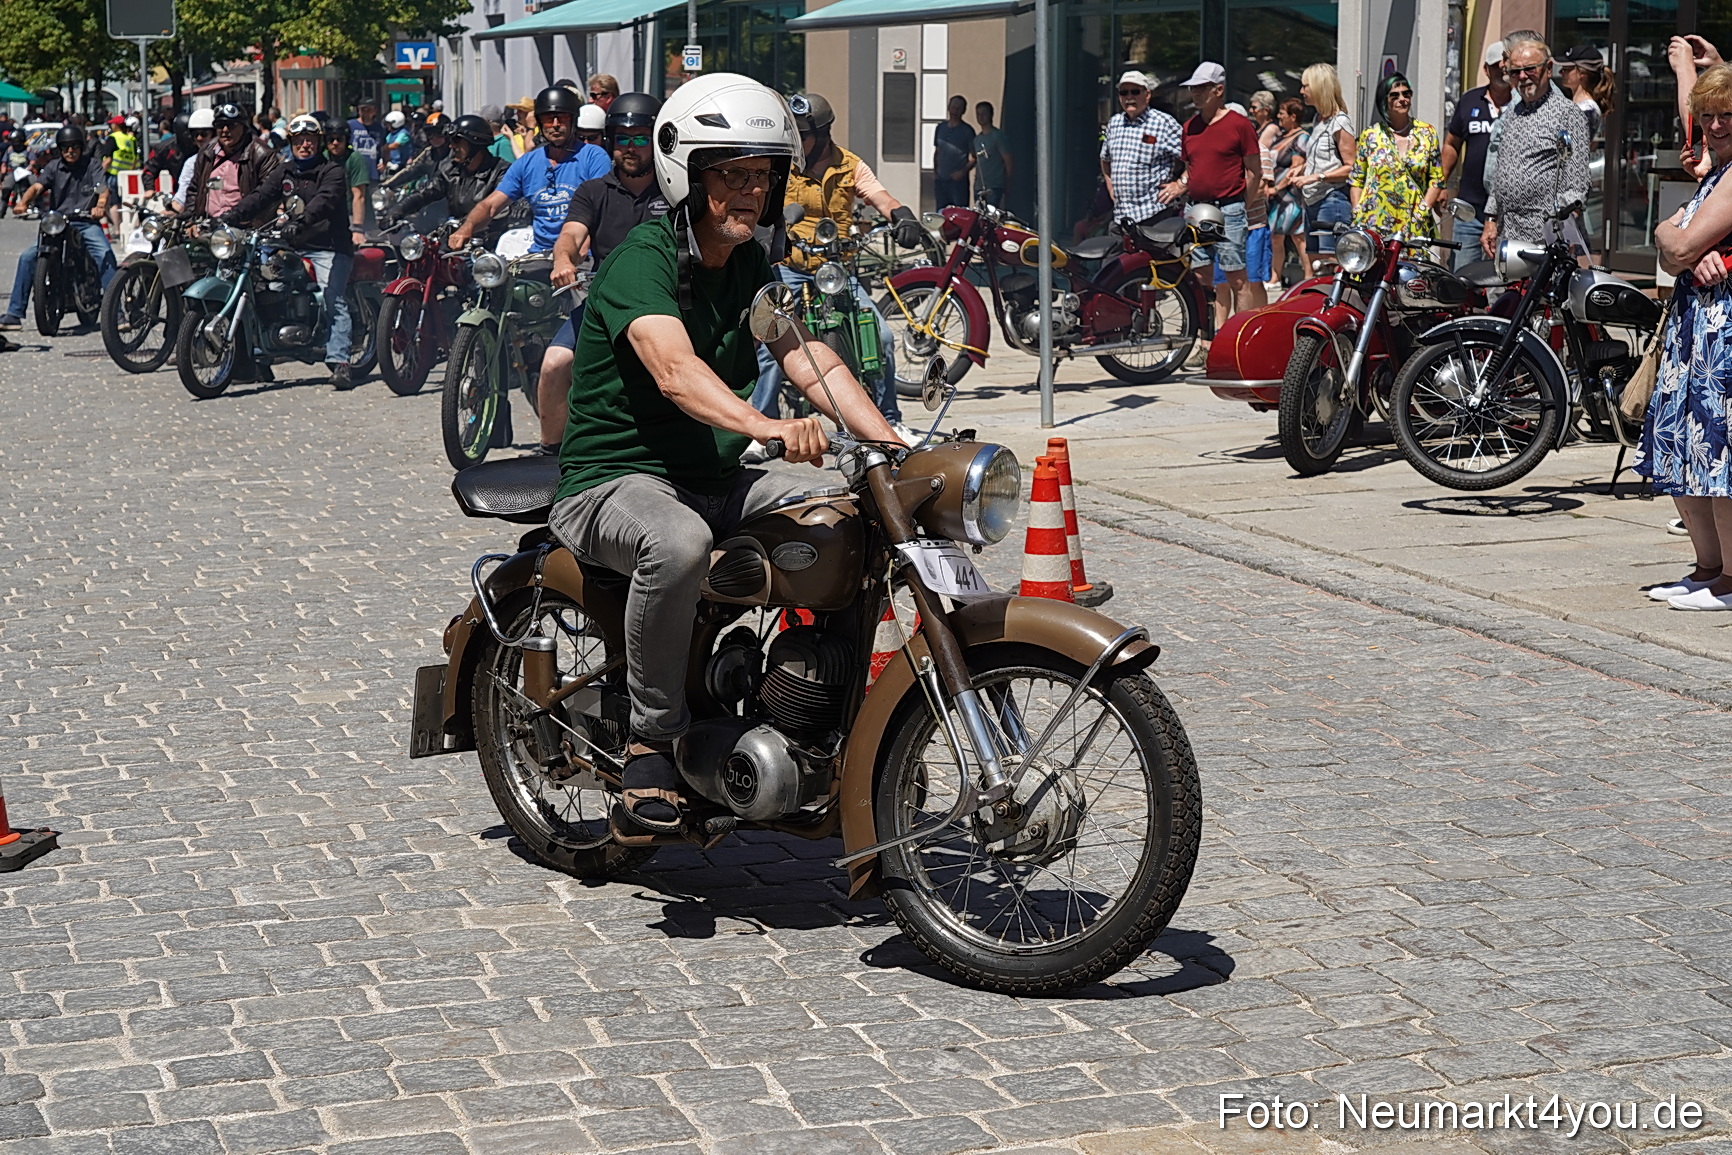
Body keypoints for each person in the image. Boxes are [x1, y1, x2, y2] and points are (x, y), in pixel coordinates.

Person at [545, 73, 898, 837]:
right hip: (613, 479)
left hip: (708, 477)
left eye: (761, 178)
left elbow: (809, 359)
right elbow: (674, 371)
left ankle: (812, 717)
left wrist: (890, 438)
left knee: (842, 517)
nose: (748, 192)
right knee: (678, 543)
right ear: (689, 176)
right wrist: (768, 426)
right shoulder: (642, 258)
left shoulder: (747, 267)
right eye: (731, 176)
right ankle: (651, 741)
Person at [748, 91, 921, 441]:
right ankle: (762, 429)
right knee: (771, 341)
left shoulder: (849, 165)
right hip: (790, 266)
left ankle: (889, 419)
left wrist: (901, 216)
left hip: (836, 271)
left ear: (824, 134)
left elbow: (879, 196)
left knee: (882, 338)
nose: (797, 141)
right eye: (793, 134)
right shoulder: (784, 164)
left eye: (804, 135)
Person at [1637, 62, 1732, 611]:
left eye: (1728, 116)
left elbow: (1676, 248)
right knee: (1686, 443)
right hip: (1696, 328)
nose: (1716, 126)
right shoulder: (1715, 175)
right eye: (1710, 116)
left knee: (1717, 448)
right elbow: (1671, 243)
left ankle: (1730, 579)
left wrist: (1680, 242)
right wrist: (1674, 238)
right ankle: (1709, 568)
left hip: (1723, 334)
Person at [535, 93, 670, 454]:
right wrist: (563, 261)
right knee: (554, 364)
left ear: (656, 141)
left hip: (666, 303)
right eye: (622, 138)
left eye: (641, 138)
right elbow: (571, 234)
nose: (631, 147)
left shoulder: (676, 191)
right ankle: (553, 453)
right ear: (610, 141)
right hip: (603, 302)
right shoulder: (593, 191)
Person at [1164, 61, 1266, 341]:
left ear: (1218, 90)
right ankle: (1206, 339)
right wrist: (1180, 184)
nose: (1195, 93)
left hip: (1229, 206)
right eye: (1193, 88)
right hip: (1197, 207)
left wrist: (1242, 203)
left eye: (1201, 88)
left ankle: (1240, 341)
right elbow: (1192, 167)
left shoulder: (1239, 125)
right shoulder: (1190, 127)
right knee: (1201, 277)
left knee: (1236, 277)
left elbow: (1255, 171)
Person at [450, 86, 610, 255]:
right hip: (540, 256)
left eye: (562, 118)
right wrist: (467, 227)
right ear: (540, 123)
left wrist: (575, 257)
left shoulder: (594, 157)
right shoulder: (527, 162)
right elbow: (490, 205)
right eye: (548, 119)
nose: (555, 125)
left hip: (583, 257)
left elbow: (599, 213)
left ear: (573, 120)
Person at [1481, 38, 1588, 257]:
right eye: (1514, 72)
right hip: (1506, 235)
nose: (1522, 77)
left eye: (1529, 69)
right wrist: (1490, 219)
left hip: (1545, 242)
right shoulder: (1511, 113)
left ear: (1548, 69)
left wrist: (1554, 227)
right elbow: (1500, 172)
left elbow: (1578, 186)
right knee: (1503, 292)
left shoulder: (1568, 114)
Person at [1, 124, 115, 330]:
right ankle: (14, 314)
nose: (70, 151)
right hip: (58, 223)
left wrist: (100, 206)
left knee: (104, 253)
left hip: (85, 221)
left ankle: (117, 312)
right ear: (60, 149)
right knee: (27, 257)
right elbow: (37, 186)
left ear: (81, 147)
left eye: (74, 147)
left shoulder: (92, 165)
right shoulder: (54, 167)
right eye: (65, 148)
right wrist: (22, 203)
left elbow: (103, 189)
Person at [280, 115, 358, 387]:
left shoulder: (332, 171)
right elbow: (261, 195)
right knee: (265, 284)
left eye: (310, 141)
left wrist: (300, 222)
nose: (305, 145)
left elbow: (323, 202)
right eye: (299, 141)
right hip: (295, 246)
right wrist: (233, 216)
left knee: (332, 298)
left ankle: (341, 362)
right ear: (291, 143)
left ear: (319, 143)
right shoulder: (286, 170)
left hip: (330, 248)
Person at [382, 113, 514, 244]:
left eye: (456, 140)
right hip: (454, 239)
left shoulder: (501, 172)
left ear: (475, 142)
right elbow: (424, 194)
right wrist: (396, 211)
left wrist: (467, 227)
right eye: (450, 141)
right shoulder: (451, 170)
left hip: (488, 246)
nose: (451, 146)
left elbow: (494, 209)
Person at [1440, 41, 1511, 271]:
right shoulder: (1470, 100)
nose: (1502, 70)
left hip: (1506, 210)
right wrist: (1441, 182)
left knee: (1501, 279)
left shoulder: (1523, 105)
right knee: (1462, 275)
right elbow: (1452, 143)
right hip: (1469, 209)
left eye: (1506, 65)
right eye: (1496, 65)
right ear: (1486, 70)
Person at [1349, 72, 1442, 239]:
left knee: (1410, 266)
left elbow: (1436, 180)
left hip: (1412, 223)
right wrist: (1357, 211)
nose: (1402, 99)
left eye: (1406, 94)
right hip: (1373, 221)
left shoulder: (1427, 133)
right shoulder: (1370, 135)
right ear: (1384, 100)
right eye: (1395, 95)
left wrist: (1422, 212)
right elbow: (1356, 179)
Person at [1100, 70, 1183, 226]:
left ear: (1147, 94)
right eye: (1124, 92)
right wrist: (1110, 187)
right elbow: (1105, 159)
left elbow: (1194, 158)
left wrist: (1180, 185)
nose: (1129, 97)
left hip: (1154, 216)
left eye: (1135, 91)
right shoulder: (1115, 123)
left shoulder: (1164, 123)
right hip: (1121, 218)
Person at [186, 104, 285, 228]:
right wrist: (191, 220)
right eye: (220, 125)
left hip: (246, 230)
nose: (225, 130)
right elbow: (194, 189)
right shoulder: (207, 151)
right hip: (208, 226)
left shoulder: (262, 154)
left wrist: (247, 223)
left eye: (231, 125)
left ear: (244, 127)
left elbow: (268, 195)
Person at [1295, 63, 1355, 262]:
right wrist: (1301, 169)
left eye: (1306, 86)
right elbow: (1323, 159)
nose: (1301, 91)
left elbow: (1352, 167)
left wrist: (1318, 176)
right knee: (1316, 261)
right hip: (1313, 200)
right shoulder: (1319, 120)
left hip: (1332, 199)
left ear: (1319, 86)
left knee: (1332, 262)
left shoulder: (1340, 122)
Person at [1268, 98, 1312, 287]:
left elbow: (1297, 166)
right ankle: (1275, 277)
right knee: (1275, 237)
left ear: (1293, 117)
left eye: (1282, 113)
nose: (1278, 116)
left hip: (1291, 196)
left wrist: (1277, 187)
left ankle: (1309, 277)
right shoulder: (1282, 136)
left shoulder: (1301, 137)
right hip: (1277, 197)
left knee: (1297, 236)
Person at [324, 120, 372, 245]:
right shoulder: (322, 158)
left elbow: (359, 196)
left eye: (339, 139)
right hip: (328, 215)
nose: (335, 143)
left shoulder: (355, 158)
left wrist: (357, 229)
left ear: (346, 140)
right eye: (331, 139)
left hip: (351, 215)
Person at [169, 110, 216, 211]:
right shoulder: (192, 162)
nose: (199, 138)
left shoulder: (235, 158)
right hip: (205, 217)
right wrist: (168, 212)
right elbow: (184, 192)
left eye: (204, 134)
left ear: (214, 134)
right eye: (195, 134)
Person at [933, 95, 975, 208]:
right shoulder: (940, 128)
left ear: (963, 111)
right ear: (948, 108)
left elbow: (974, 157)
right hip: (940, 179)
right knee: (941, 214)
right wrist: (935, 171)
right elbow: (937, 150)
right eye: (953, 107)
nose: (955, 111)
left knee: (959, 213)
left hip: (957, 182)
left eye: (958, 108)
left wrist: (962, 172)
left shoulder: (967, 130)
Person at [972, 101, 1013, 206]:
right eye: (978, 114)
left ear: (990, 115)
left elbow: (1008, 161)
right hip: (979, 187)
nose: (981, 117)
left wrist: (1007, 184)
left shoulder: (998, 137)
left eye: (984, 113)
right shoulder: (977, 139)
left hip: (994, 186)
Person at [348, 99, 383, 169]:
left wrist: (384, 163)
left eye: (369, 110)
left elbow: (384, 148)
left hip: (373, 171)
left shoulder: (380, 128)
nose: (366, 113)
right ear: (359, 111)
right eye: (363, 110)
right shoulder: (350, 125)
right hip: (354, 169)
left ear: (374, 111)